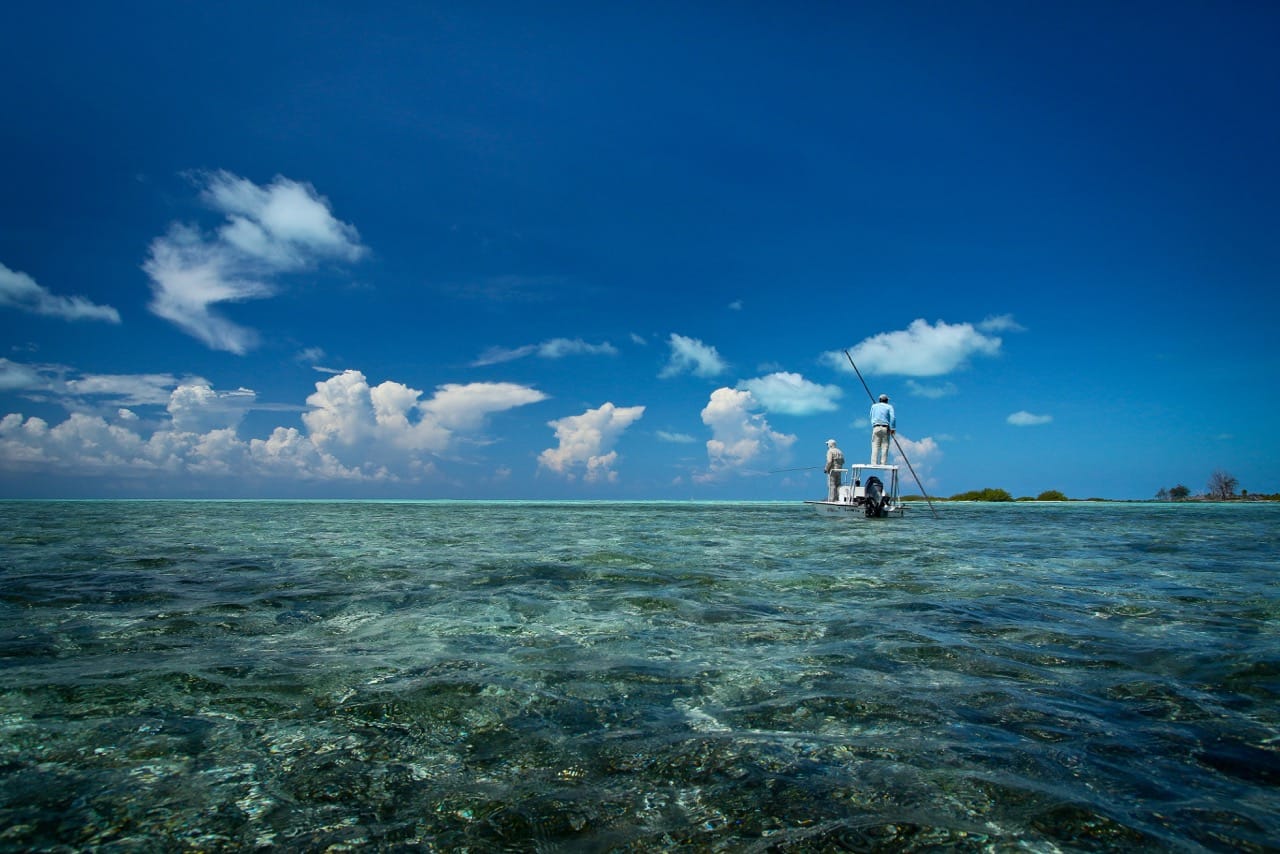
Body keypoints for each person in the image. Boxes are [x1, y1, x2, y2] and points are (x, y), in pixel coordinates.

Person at [869, 394, 895, 465]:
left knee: (875, 446)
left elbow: (871, 416)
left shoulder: (874, 406)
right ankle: (883, 463)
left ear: (879, 400)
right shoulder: (889, 407)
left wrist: (874, 425)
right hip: (885, 428)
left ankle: (873, 463)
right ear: (886, 400)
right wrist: (892, 428)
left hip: (876, 427)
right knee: (885, 446)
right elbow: (893, 417)